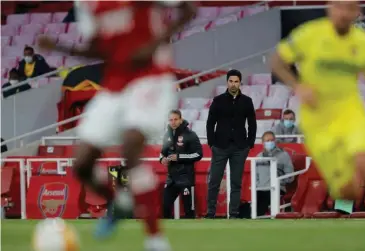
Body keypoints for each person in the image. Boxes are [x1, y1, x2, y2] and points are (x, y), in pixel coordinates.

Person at [38, 1, 196, 250]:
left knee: (131, 147)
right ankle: (119, 203)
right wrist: (60, 47)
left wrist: (154, 45)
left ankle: (155, 240)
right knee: (81, 164)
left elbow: (189, 8)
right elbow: (99, 50)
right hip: (115, 84)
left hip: (151, 77)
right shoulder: (87, 4)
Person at [270, 1, 365, 250]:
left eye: (350, 7)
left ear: (358, 12)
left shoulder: (363, 43)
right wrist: (298, 86)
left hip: (351, 115)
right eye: (339, 6)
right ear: (329, 8)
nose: (343, 13)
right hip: (319, 122)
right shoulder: (309, 34)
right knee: (349, 193)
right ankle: (344, 186)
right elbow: (276, 62)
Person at [206, 69, 257, 219]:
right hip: (220, 146)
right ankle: (210, 213)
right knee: (214, 180)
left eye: (236, 81)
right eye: (231, 81)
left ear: (240, 83)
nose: (233, 84)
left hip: (240, 148)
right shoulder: (218, 100)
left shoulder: (247, 101)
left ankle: (233, 214)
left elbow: (252, 124)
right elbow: (210, 123)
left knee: (236, 182)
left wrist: (249, 144)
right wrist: (212, 143)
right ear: (227, 82)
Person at [160, 110, 202, 219]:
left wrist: (179, 157)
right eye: (171, 120)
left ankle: (191, 234)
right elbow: (162, 153)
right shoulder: (167, 135)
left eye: (175, 119)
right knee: (165, 207)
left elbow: (199, 154)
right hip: (171, 178)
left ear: (181, 120)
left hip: (186, 177)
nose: (173, 122)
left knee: (189, 210)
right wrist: (162, 159)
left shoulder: (190, 135)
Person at [255, 131, 294, 216]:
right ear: (263, 143)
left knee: (261, 204)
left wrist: (279, 183)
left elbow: (290, 176)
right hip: (261, 189)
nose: (270, 142)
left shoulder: (284, 155)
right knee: (253, 203)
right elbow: (255, 176)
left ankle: (259, 217)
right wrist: (258, 186)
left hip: (277, 189)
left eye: (272, 140)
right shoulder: (258, 157)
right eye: (267, 140)